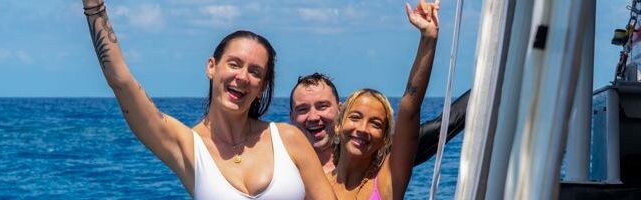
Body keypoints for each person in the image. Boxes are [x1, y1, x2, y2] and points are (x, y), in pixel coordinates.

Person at [79, 0, 335, 199]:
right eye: (234, 64)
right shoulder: (188, 147)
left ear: (262, 87)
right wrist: (93, 7)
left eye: (255, 72)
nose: (243, 77)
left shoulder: (288, 139)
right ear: (211, 67)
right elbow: (122, 82)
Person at [325, 0, 443, 199]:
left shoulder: (387, 181)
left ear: (385, 139)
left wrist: (429, 37)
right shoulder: (314, 181)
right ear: (338, 124)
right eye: (355, 117)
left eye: (376, 124)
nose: (362, 129)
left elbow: (410, 108)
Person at [289, 74, 469, 174]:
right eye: (302, 109)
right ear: (291, 116)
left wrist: (492, 86)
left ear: (340, 111)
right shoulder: (284, 169)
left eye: (322, 106)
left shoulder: (375, 152)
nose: (313, 117)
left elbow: (442, 126)